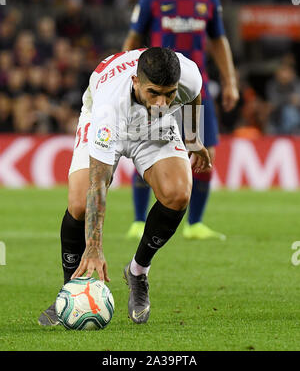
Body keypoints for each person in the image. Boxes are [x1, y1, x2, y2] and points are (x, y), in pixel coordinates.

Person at [38, 47, 211, 326]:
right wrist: (94, 246)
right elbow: (98, 183)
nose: (162, 103)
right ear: (135, 82)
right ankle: (70, 290)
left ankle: (138, 272)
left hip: (155, 129)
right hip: (107, 123)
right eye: (154, 92)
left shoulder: (188, 73)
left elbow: (192, 96)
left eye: (169, 94)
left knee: (178, 194)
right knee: (80, 203)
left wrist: (192, 138)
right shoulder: (109, 105)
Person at [122, 0, 239, 241]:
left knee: (205, 151)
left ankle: (195, 224)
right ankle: (137, 219)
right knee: (145, 147)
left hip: (195, 88)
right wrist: (124, 74)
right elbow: (134, 40)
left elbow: (218, 41)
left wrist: (230, 81)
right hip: (158, 89)